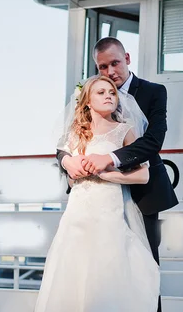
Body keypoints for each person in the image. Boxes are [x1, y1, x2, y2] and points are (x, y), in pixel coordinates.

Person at [57, 37, 179, 311]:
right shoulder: (89, 93)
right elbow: (66, 142)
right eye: (102, 67)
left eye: (114, 63)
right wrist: (67, 162)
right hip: (92, 201)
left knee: (143, 269)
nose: (110, 72)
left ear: (127, 58)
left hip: (143, 194)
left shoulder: (153, 91)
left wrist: (108, 160)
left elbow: (153, 140)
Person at [35, 75, 159, 312]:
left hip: (109, 214)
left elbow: (143, 175)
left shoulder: (124, 131)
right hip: (77, 216)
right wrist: (74, 169)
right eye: (101, 92)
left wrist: (107, 174)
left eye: (111, 92)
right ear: (87, 101)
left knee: (107, 274)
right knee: (72, 276)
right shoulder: (76, 134)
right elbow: (71, 178)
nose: (108, 96)